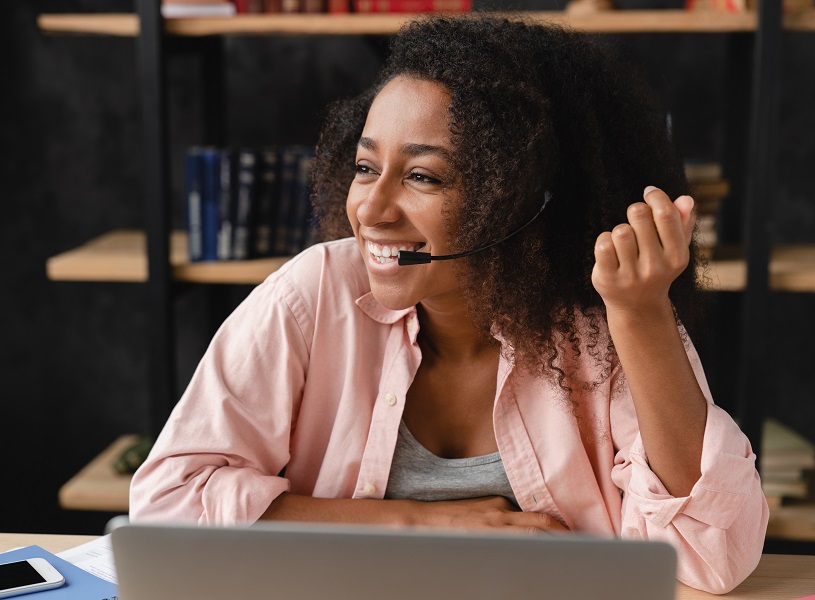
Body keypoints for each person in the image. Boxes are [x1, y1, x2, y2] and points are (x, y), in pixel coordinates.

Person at [130, 15, 768, 594]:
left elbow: (708, 556)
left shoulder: (605, 320)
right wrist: (425, 525)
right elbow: (168, 504)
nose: (371, 211)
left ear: (522, 198)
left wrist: (641, 315)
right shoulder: (314, 294)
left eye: (422, 176)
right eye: (364, 167)